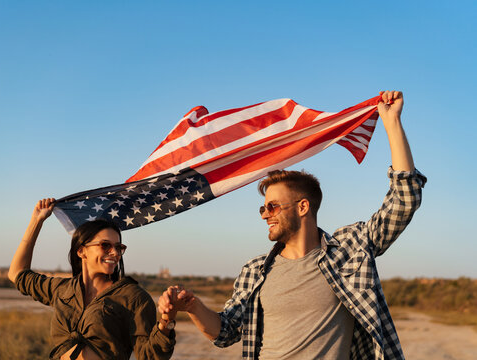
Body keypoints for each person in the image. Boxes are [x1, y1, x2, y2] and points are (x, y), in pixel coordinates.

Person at [158, 90, 426, 359]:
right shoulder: (255, 271)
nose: (265, 214)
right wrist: (193, 306)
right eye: (263, 207)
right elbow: (225, 331)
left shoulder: (350, 251)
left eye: (273, 206)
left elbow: (403, 201)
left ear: (303, 207)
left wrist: (391, 123)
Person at [8, 199, 176, 360]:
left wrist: (166, 321)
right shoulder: (62, 289)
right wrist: (36, 221)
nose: (115, 253)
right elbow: (17, 273)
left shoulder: (133, 297)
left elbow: (149, 355)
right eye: (105, 245)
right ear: (82, 251)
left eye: (119, 247)